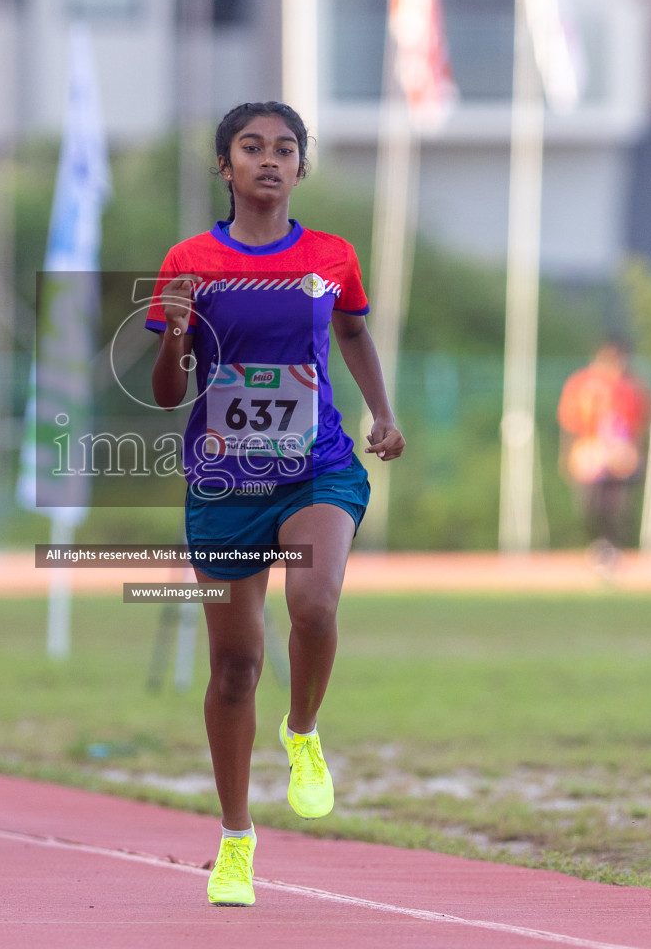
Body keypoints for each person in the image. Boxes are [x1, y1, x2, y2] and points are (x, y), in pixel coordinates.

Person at [147, 102, 404, 906]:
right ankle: (234, 838)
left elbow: (354, 333)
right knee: (233, 668)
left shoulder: (331, 256)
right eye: (250, 148)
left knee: (315, 603)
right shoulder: (189, 259)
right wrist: (175, 330)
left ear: (301, 167)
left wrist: (382, 413)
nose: (268, 159)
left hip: (317, 465)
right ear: (224, 167)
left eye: (284, 148)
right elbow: (165, 394)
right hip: (226, 481)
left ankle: (302, 733)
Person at [556, 339, 650, 568]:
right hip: (590, 449)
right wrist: (569, 454)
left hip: (618, 452)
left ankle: (612, 547)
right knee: (590, 503)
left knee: (616, 504)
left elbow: (637, 425)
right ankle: (600, 544)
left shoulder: (631, 387)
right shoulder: (581, 384)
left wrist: (634, 454)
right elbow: (570, 423)